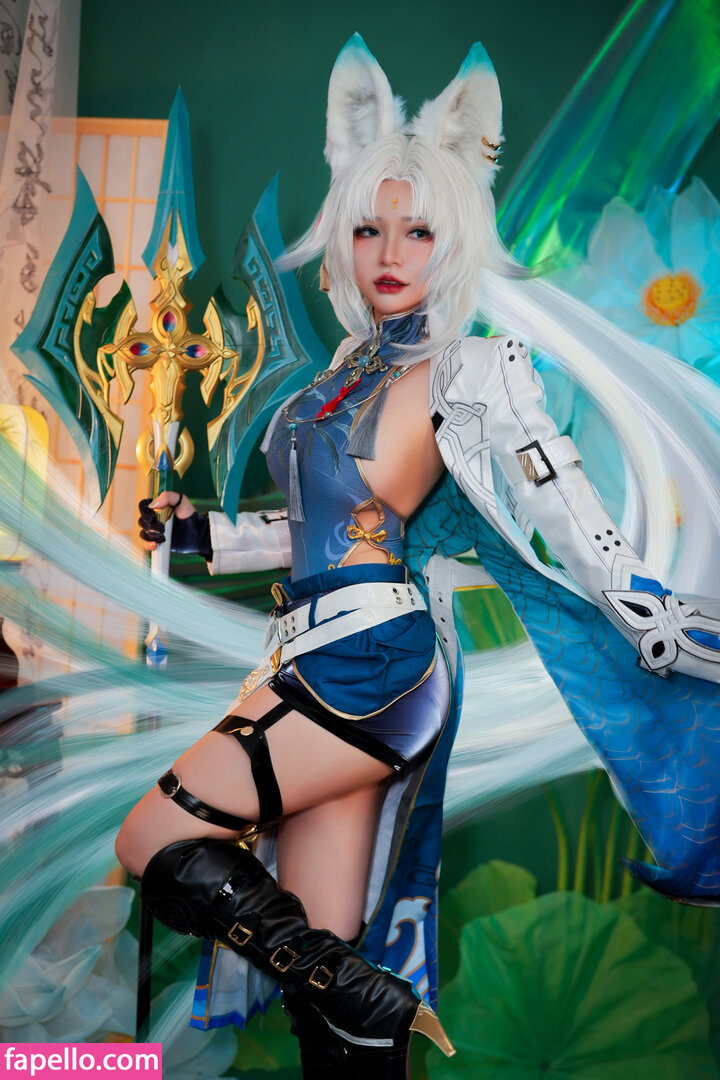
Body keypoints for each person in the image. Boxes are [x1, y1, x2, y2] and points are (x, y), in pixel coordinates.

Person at [117, 32, 720, 1079]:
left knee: (152, 839)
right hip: (312, 656)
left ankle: (368, 998)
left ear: (458, 237)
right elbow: (319, 526)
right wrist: (198, 531)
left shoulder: (474, 372)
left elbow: (565, 511)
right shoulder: (343, 371)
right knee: (324, 970)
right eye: (368, 228)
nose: (389, 251)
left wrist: (654, 615)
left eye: (419, 229)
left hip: (371, 669)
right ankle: (364, 1012)